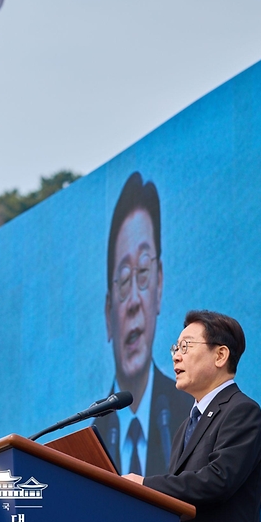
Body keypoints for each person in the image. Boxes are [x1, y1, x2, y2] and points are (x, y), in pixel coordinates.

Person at [126, 310, 261, 522]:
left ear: (220, 355)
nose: (176, 357)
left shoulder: (242, 411)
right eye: (176, 349)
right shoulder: (185, 427)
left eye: (186, 347)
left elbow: (218, 479)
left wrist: (145, 485)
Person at [93, 172, 193, 477]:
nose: (134, 300)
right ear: (109, 312)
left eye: (144, 273)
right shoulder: (92, 436)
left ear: (159, 286)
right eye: (123, 280)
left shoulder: (190, 413)